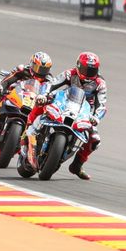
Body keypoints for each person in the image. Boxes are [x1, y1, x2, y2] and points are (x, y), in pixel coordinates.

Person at [25, 52, 106, 180]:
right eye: (86, 69)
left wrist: (96, 117)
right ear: (78, 66)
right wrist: (44, 94)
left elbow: (102, 105)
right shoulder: (70, 73)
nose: (89, 73)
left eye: (92, 70)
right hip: (63, 102)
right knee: (41, 104)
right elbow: (52, 83)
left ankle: (77, 165)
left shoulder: (100, 83)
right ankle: (26, 133)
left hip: (84, 112)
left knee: (95, 139)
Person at [0, 51, 53, 132]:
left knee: (45, 118)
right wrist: (1, 87)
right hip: (15, 94)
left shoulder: (49, 80)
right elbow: (7, 80)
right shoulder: (22, 69)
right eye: (37, 68)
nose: (40, 72)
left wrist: (48, 100)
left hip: (33, 102)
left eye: (44, 70)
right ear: (32, 64)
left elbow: (49, 92)